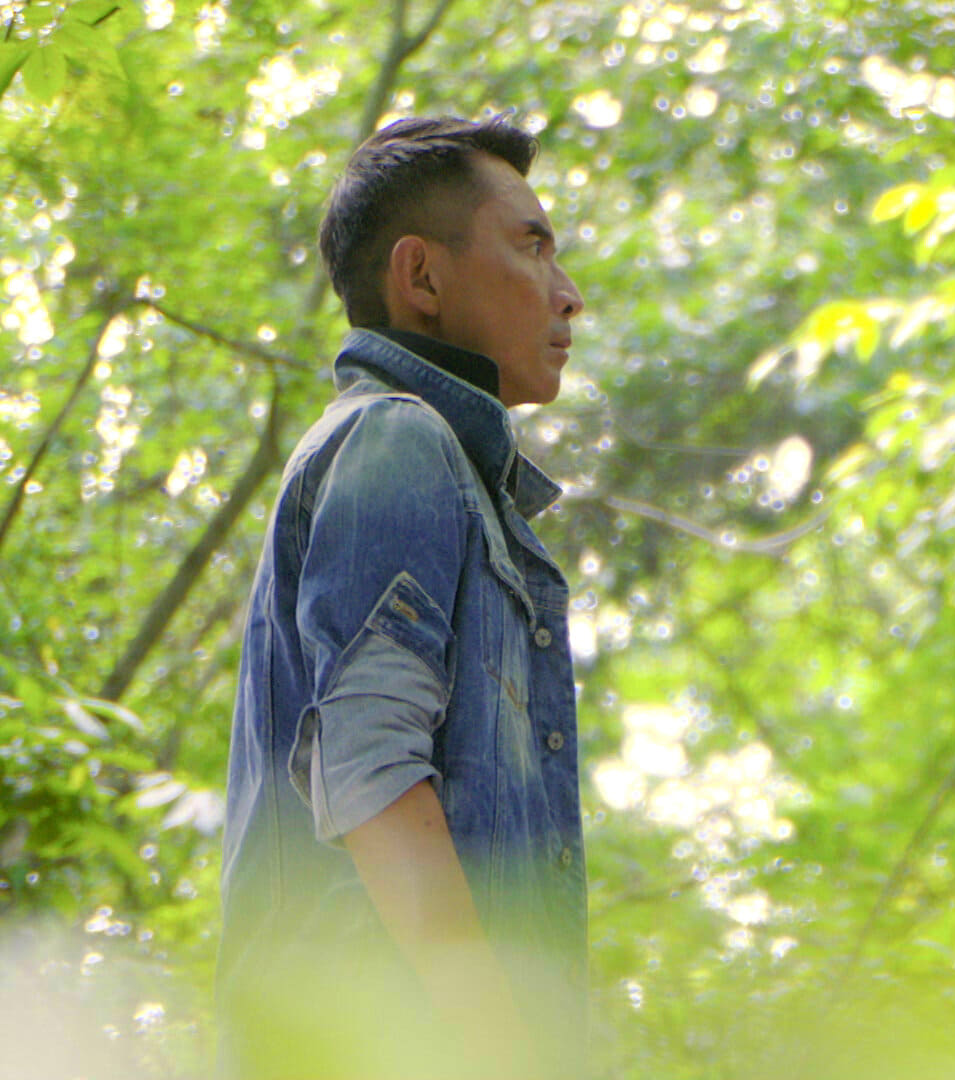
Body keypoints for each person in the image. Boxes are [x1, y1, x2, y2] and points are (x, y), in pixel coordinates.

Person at [216, 115, 588, 1080]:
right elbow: (371, 767)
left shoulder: (443, 467)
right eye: (531, 246)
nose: (567, 293)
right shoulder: (397, 438)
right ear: (421, 276)